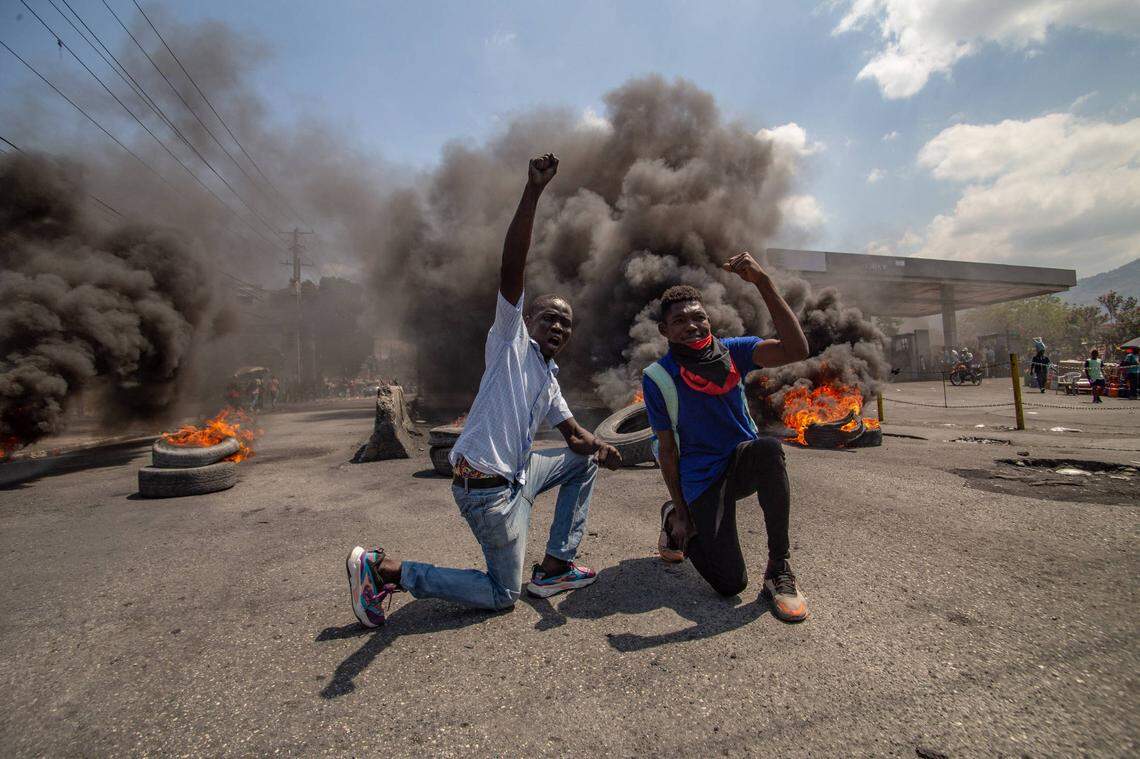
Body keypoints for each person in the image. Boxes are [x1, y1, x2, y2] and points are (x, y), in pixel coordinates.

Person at [343, 154, 622, 627]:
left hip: (518, 476)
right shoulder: (510, 342)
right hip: (487, 491)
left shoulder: (547, 376)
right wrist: (533, 191)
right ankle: (386, 570)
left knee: (583, 461)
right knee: (501, 593)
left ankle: (555, 569)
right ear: (527, 320)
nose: (558, 326)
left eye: (566, 323)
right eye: (549, 318)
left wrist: (602, 447)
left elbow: (574, 436)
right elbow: (511, 267)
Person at [643, 252, 812, 623]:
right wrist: (683, 513)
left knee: (768, 449)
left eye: (698, 317)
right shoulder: (658, 377)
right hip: (701, 479)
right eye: (680, 321)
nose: (692, 326)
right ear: (664, 331)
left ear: (709, 319)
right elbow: (667, 451)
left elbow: (797, 350)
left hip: (739, 464)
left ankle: (779, 570)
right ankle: (673, 519)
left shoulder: (735, 351)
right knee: (729, 584)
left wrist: (763, 282)